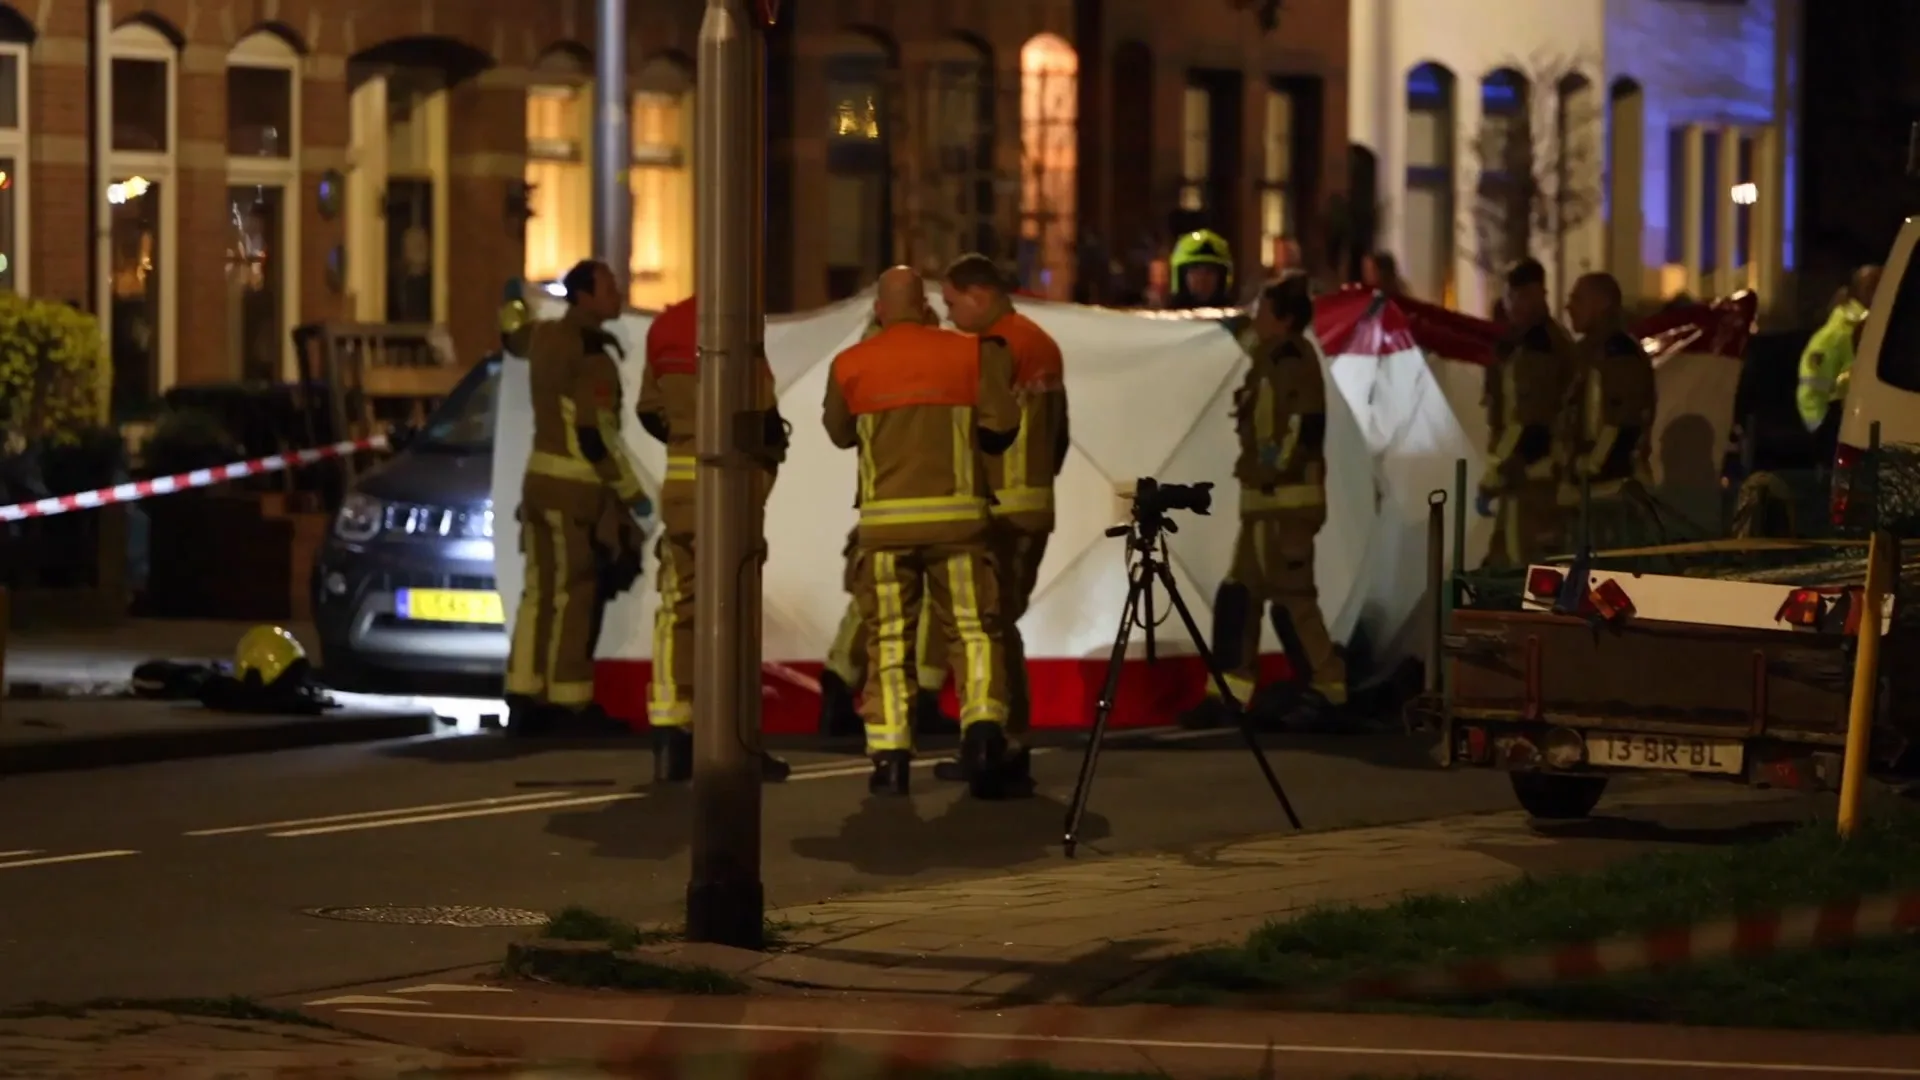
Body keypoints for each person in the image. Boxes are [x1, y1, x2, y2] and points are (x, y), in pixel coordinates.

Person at [822, 266, 1023, 797]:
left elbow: (839, 434)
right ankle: (981, 730)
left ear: (880, 310)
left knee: (888, 639)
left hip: (884, 529)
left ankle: (889, 757)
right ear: (927, 305)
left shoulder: (851, 364)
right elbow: (1002, 427)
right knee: (972, 630)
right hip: (959, 525)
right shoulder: (968, 353)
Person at [924, 253, 1070, 780]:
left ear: (980, 294)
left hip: (998, 510)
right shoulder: (1040, 343)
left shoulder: (995, 348)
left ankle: (997, 745)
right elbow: (1059, 438)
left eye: (952, 302)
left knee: (986, 627)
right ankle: (1010, 743)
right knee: (1002, 624)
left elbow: (978, 429)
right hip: (1033, 505)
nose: (948, 316)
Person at [635, 294, 792, 782]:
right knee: (733, 615)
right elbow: (763, 420)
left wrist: (688, 441)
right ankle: (734, 738)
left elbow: (648, 410)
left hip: (681, 490)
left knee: (678, 606)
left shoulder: (664, 329)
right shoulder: (738, 327)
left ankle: (671, 730)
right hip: (729, 496)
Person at [1180, 277, 1347, 730]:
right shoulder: (1270, 355)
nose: (1256, 317)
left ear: (1286, 319)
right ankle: (1229, 693)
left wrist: (1275, 473)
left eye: (1264, 310)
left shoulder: (1293, 359)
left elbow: (1303, 427)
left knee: (1294, 599)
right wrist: (1207, 313)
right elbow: (1245, 334)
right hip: (1264, 506)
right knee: (1241, 595)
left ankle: (1331, 689)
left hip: (1286, 505)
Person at [503, 259, 654, 734]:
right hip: (575, 494)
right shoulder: (592, 354)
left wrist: (511, 301)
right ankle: (568, 701)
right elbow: (597, 434)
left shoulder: (544, 336)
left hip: (538, 485)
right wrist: (634, 495)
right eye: (609, 287)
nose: (618, 293)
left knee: (538, 592)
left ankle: (525, 693)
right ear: (585, 296)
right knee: (574, 595)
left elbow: (512, 334)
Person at [818, 304, 960, 739]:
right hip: (933, 499)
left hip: (880, 501)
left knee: (876, 603)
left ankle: (843, 679)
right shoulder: (933, 357)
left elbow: (840, 430)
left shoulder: (861, 358)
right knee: (937, 599)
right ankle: (921, 697)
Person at [1477, 258, 1578, 568]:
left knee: (1527, 573)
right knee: (1504, 567)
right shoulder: (1531, 343)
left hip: (1535, 482)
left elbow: (1529, 423)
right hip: (1526, 481)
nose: (1508, 305)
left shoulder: (1540, 348)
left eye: (1512, 296)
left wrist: (1495, 475)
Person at [1560, 272, 1657, 551]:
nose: (1569, 308)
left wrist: (1588, 469)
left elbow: (1623, 424)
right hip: (1592, 494)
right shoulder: (1588, 353)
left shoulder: (1619, 355)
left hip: (1612, 494)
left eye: (1577, 299)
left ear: (1602, 303)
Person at [1796, 265, 1879, 436]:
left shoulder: (1866, 326)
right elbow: (1811, 389)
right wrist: (1823, 429)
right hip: (1836, 426)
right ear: (1869, 290)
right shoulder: (1838, 333)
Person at [1168, 230, 1236, 309]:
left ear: (1222, 278)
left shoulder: (1234, 317)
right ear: (1181, 276)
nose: (1202, 278)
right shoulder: (1166, 318)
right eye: (1195, 270)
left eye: (1210, 271)